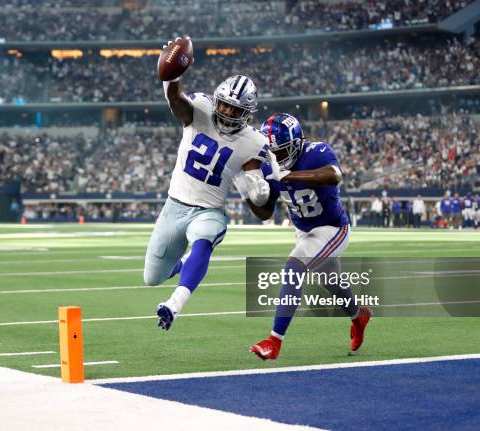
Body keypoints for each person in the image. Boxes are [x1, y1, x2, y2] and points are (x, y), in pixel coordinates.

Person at [145, 37, 270, 331]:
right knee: (152, 277)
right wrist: (172, 77)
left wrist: (256, 186)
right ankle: (184, 264)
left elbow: (258, 194)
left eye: (235, 110)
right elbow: (176, 101)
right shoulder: (199, 109)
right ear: (216, 101)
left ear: (248, 114)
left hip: (209, 210)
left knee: (204, 240)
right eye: (224, 106)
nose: (227, 114)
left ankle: (174, 305)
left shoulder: (253, 140)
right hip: (174, 205)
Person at [237, 113, 372, 360]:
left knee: (293, 268)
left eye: (282, 150)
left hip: (333, 228)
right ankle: (358, 316)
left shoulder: (316, 152)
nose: (277, 157)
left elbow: (334, 175)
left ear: (297, 143)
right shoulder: (270, 164)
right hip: (305, 232)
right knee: (332, 282)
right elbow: (266, 213)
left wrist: (290, 176)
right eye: (273, 152)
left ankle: (274, 341)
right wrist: (246, 193)